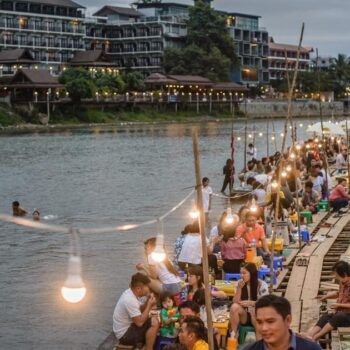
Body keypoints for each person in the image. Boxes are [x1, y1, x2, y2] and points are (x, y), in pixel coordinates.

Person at [243, 295, 321, 350]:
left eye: (270, 322)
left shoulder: (311, 348)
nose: (264, 328)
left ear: (288, 320)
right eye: (259, 322)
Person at [303, 261, 350, 341]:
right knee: (325, 317)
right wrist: (325, 297)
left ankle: (315, 337)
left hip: (347, 316)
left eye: (337, 276)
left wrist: (339, 305)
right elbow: (338, 293)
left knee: (338, 317)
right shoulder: (343, 282)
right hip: (341, 312)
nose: (336, 278)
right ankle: (309, 335)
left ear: (345, 274)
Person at [112, 273, 159, 350]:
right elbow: (140, 323)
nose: (148, 289)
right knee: (154, 322)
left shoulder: (130, 292)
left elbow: (140, 309)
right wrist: (149, 306)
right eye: (146, 286)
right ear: (138, 289)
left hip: (128, 328)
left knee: (153, 317)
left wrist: (148, 301)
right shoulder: (129, 300)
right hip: (125, 335)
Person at [229, 263, 269, 339]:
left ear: (252, 273)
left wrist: (252, 303)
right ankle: (233, 337)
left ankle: (258, 344)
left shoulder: (261, 284)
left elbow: (266, 303)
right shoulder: (239, 283)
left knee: (255, 313)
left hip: (257, 316)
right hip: (244, 316)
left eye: (244, 273)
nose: (241, 275)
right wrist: (239, 288)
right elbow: (235, 301)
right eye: (240, 273)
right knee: (234, 307)